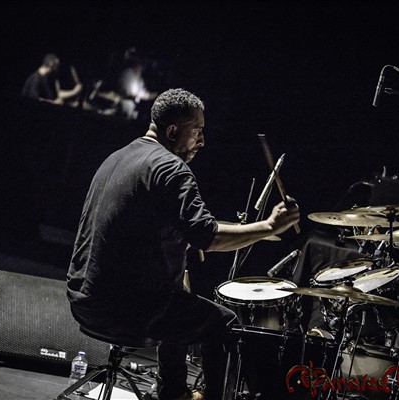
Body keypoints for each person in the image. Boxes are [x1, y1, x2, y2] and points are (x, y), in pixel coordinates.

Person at [66, 88, 300, 400]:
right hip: (125, 310)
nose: (202, 141)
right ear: (173, 131)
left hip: (83, 299)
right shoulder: (171, 168)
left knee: (178, 299)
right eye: (197, 130)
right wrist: (269, 226)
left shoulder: (117, 157)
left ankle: (174, 393)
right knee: (225, 324)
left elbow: (135, 226)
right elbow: (209, 236)